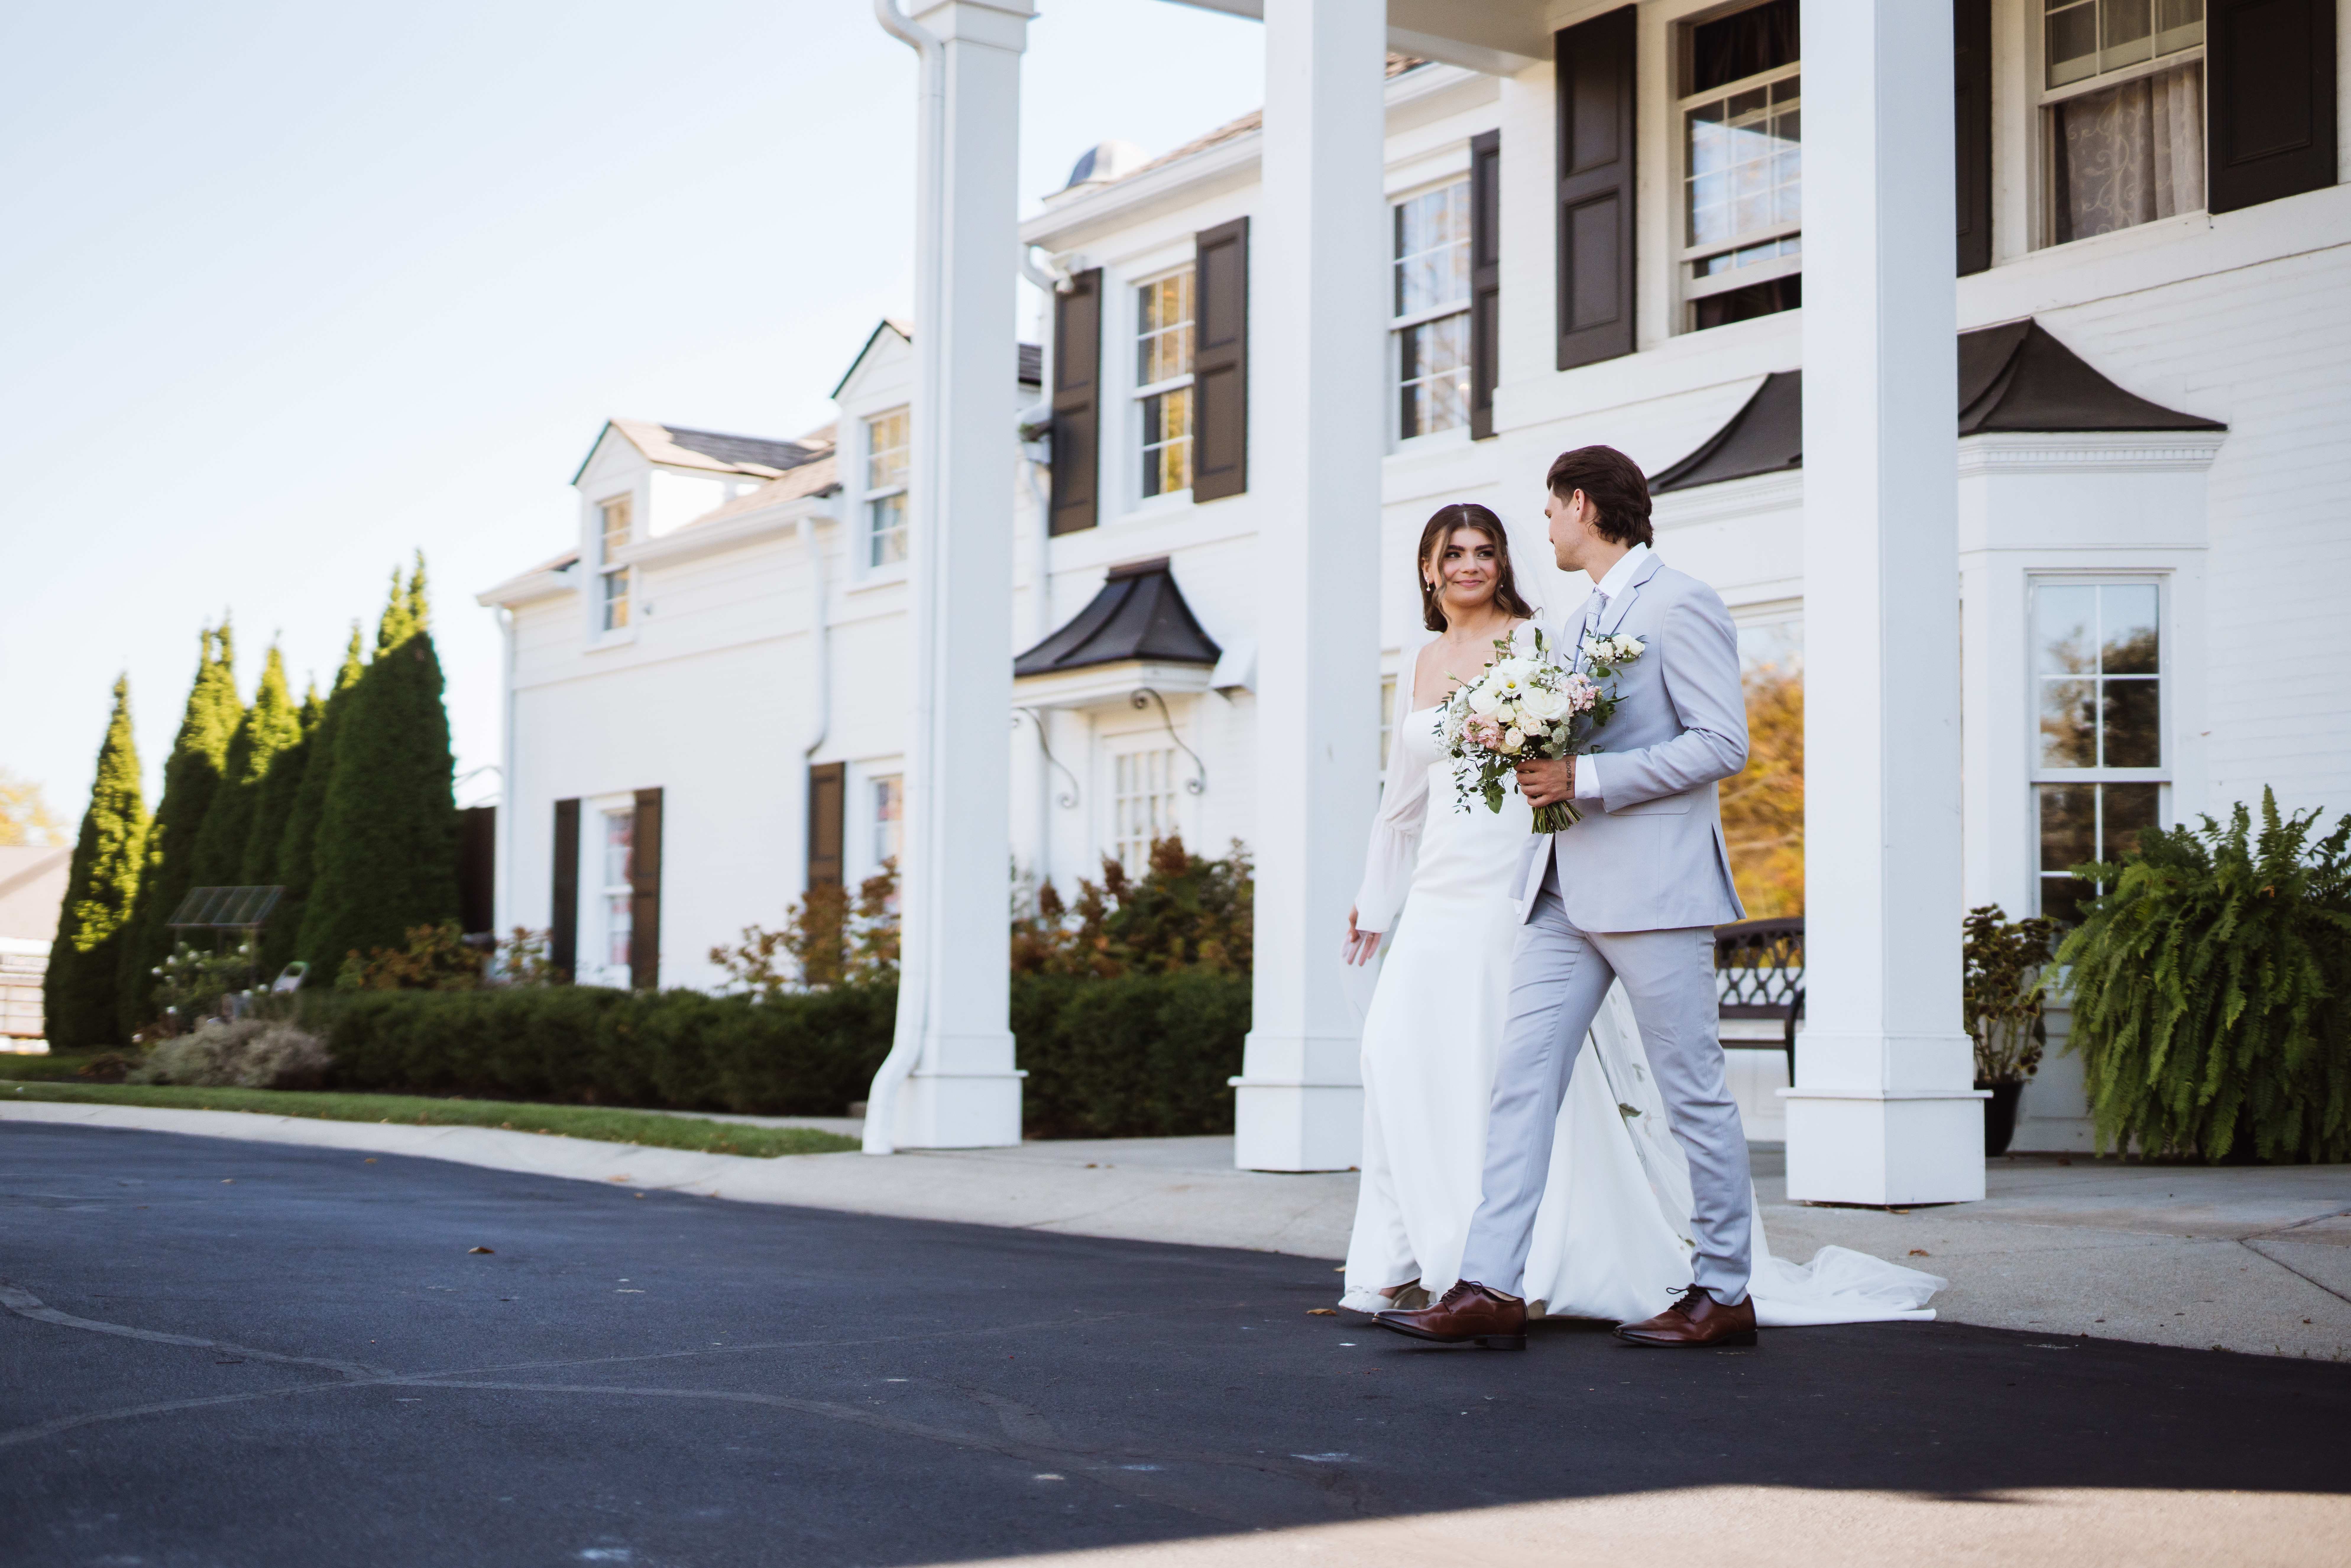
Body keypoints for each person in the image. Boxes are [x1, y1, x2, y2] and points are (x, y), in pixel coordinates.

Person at [1354, 454, 1942, 1348]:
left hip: (1653, 893)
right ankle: (1490, 1287)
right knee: (1520, 1088)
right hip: (1559, 891)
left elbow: (1722, 743)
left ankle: (1724, 1292)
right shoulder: (1583, 619)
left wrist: (1582, 775)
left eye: (1550, 510)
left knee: (1693, 1095)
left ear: (1582, 506)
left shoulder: (1681, 602)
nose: (1542, 528)